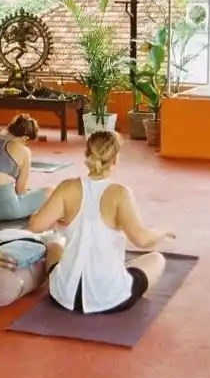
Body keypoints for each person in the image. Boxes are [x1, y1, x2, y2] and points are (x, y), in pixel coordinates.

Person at [26, 130, 176, 314]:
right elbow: (142, 239)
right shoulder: (120, 193)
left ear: (87, 154)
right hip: (109, 298)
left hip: (64, 296)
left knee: (54, 246)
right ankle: (116, 274)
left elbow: (35, 225)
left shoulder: (67, 187)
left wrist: (60, 218)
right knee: (156, 259)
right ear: (115, 159)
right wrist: (163, 230)